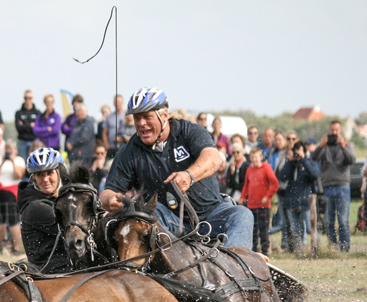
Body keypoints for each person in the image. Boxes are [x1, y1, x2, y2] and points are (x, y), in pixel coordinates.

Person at [100, 87, 253, 248]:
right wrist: (110, 199)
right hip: (167, 220)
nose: (141, 123)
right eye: (137, 118)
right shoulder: (129, 151)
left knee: (242, 214)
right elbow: (107, 192)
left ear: (164, 115)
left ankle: (238, 262)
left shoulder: (188, 131)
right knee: (149, 211)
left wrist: (189, 175)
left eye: (147, 117)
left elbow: (214, 158)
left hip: (211, 214)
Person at [18, 148, 71, 273]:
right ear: (34, 178)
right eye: (39, 175)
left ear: (59, 173)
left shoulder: (57, 198)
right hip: (51, 273)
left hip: (66, 267)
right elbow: (74, 228)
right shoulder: (36, 207)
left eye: (49, 173)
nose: (45, 179)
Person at [311, 120, 356, 252]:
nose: (334, 133)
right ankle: (333, 246)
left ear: (340, 131)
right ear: (329, 131)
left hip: (342, 186)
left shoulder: (346, 145)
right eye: (332, 130)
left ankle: (345, 247)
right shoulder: (324, 147)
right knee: (329, 219)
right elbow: (313, 158)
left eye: (336, 130)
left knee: (342, 220)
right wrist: (320, 145)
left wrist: (343, 146)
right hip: (328, 186)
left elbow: (352, 160)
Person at [279, 141, 320, 255]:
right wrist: (290, 161)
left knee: (310, 228)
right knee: (295, 229)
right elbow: (282, 176)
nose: (297, 154)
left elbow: (315, 175)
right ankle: (299, 252)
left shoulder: (309, 162)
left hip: (305, 201)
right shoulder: (291, 165)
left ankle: (316, 248)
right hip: (292, 201)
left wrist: (303, 160)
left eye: (299, 151)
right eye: (296, 152)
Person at [0, 139, 25, 254]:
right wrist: (4, 161)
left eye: (10, 150)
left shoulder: (19, 160)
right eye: (7, 149)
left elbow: (18, 175)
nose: (8, 152)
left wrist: (13, 161)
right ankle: (2, 245)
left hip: (11, 193)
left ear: (15, 150)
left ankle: (16, 247)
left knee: (13, 220)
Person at [240, 148, 279, 255]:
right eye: (252, 157)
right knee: (253, 230)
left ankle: (265, 252)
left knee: (263, 230)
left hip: (263, 205)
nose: (254, 160)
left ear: (261, 157)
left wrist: (268, 196)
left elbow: (275, 184)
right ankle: (253, 252)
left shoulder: (266, 168)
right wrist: (243, 197)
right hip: (251, 205)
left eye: (256, 157)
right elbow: (246, 185)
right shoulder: (249, 169)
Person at [15, 90, 39, 159]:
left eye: (30, 98)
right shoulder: (19, 113)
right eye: (26, 98)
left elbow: (37, 128)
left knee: (35, 161)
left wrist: (24, 124)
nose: (28, 100)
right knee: (22, 162)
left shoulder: (37, 112)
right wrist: (30, 125)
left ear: (32, 99)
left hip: (34, 140)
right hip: (22, 141)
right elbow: (18, 127)